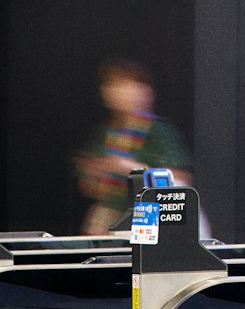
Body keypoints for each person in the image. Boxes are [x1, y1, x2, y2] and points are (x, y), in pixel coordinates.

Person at [74, 60, 193, 235]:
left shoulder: (158, 131)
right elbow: (88, 185)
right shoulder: (106, 132)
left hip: (148, 210)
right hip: (111, 213)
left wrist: (129, 168)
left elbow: (180, 180)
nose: (121, 92)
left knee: (143, 247)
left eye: (129, 85)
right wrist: (94, 174)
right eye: (113, 85)